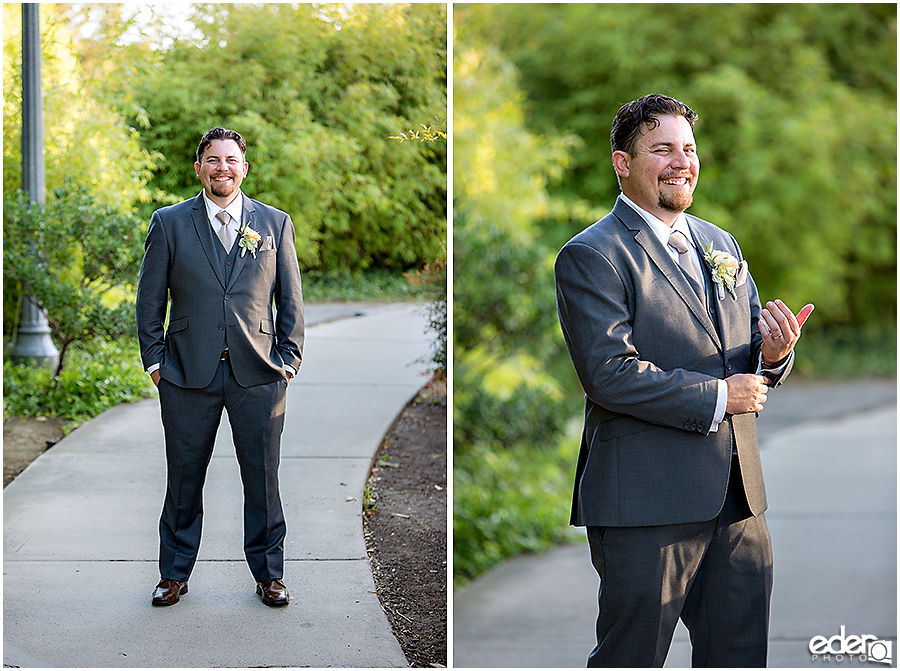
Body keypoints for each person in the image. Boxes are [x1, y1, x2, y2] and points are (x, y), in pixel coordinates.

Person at [554, 94, 814, 667]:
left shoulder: (722, 244)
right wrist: (722, 396)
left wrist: (772, 356)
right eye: (662, 148)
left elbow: (746, 358)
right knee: (633, 657)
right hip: (645, 501)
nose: (681, 161)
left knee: (739, 655)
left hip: (738, 498)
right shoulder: (592, 254)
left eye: (689, 148)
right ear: (623, 162)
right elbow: (608, 375)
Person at [136, 127, 305, 607]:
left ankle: (270, 575)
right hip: (187, 375)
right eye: (213, 160)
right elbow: (149, 302)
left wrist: (288, 362)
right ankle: (173, 574)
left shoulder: (274, 224)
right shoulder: (169, 223)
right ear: (199, 168)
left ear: (244, 168)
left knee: (263, 481)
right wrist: (156, 364)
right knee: (184, 479)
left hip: (259, 375)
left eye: (231, 160)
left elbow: (290, 301)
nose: (222, 168)